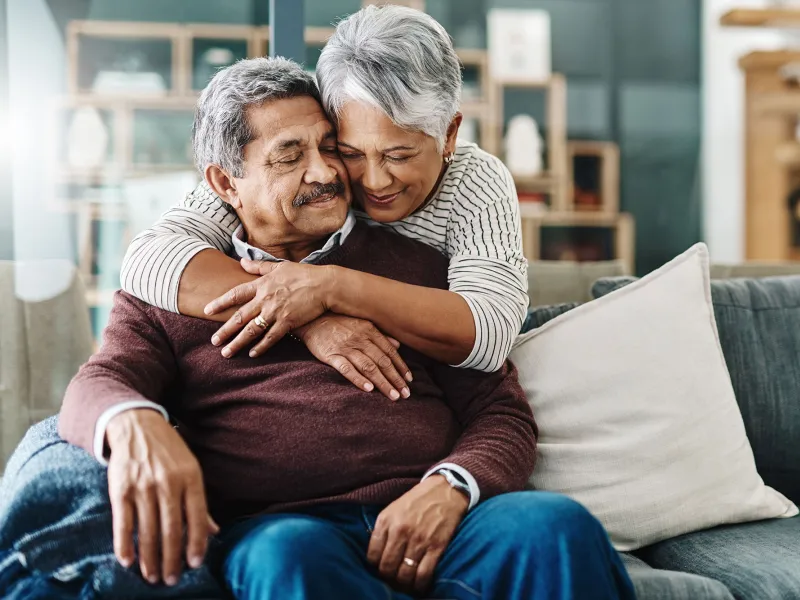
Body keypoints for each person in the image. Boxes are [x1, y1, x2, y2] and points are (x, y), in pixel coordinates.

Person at [11, 58, 634, 600]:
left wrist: (452, 486)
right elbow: (98, 382)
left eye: (328, 146)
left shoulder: (412, 267)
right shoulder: (171, 287)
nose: (327, 173)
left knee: (555, 527)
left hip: (440, 522)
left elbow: (501, 412)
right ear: (226, 183)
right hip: (287, 528)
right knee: (289, 559)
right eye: (290, 156)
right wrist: (134, 424)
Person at [119, 5, 529, 403]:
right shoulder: (305, 174)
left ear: (450, 135)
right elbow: (148, 259)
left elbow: (490, 335)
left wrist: (331, 287)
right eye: (349, 151)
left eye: (398, 155)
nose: (373, 181)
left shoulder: (475, 181)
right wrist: (310, 317)